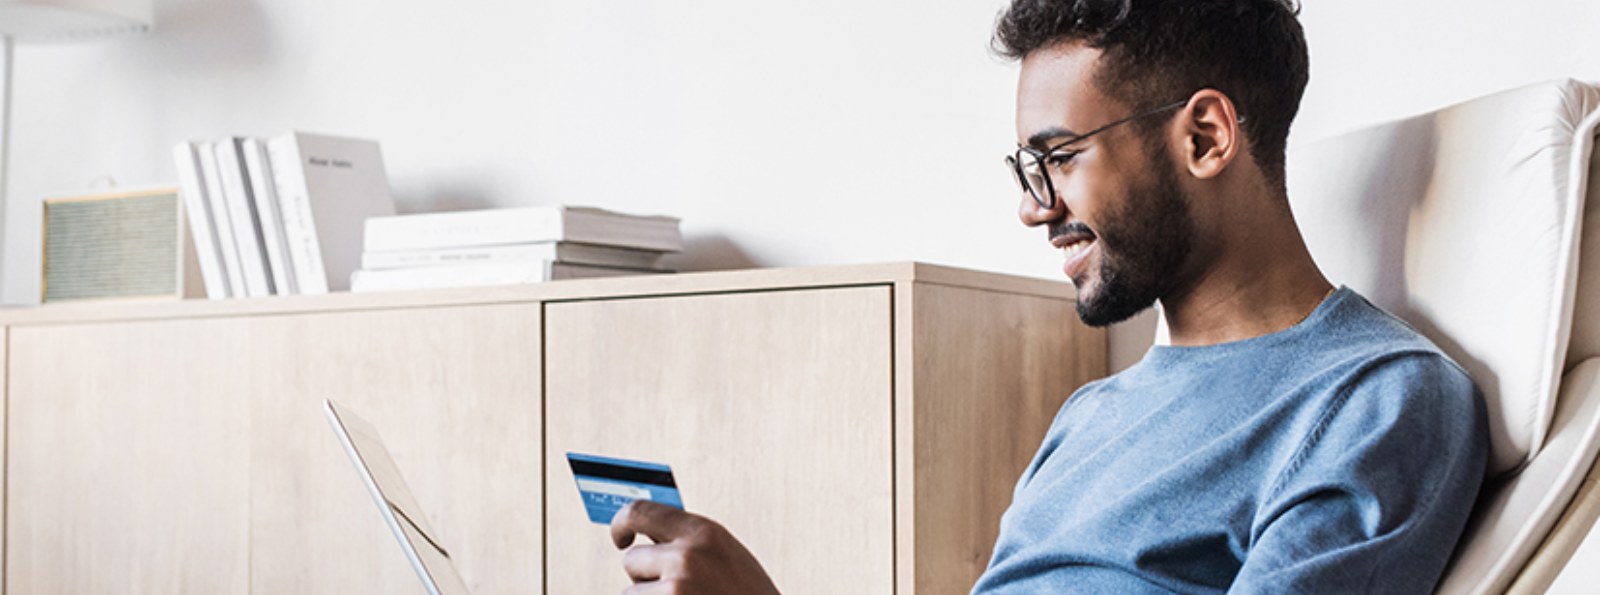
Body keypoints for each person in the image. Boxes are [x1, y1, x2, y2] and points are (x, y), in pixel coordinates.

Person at [607, 0, 1489, 592]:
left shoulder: (1376, 401)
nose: (1034, 208)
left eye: (1060, 158)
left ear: (1206, 137)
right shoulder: (1091, 415)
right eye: (1029, 168)